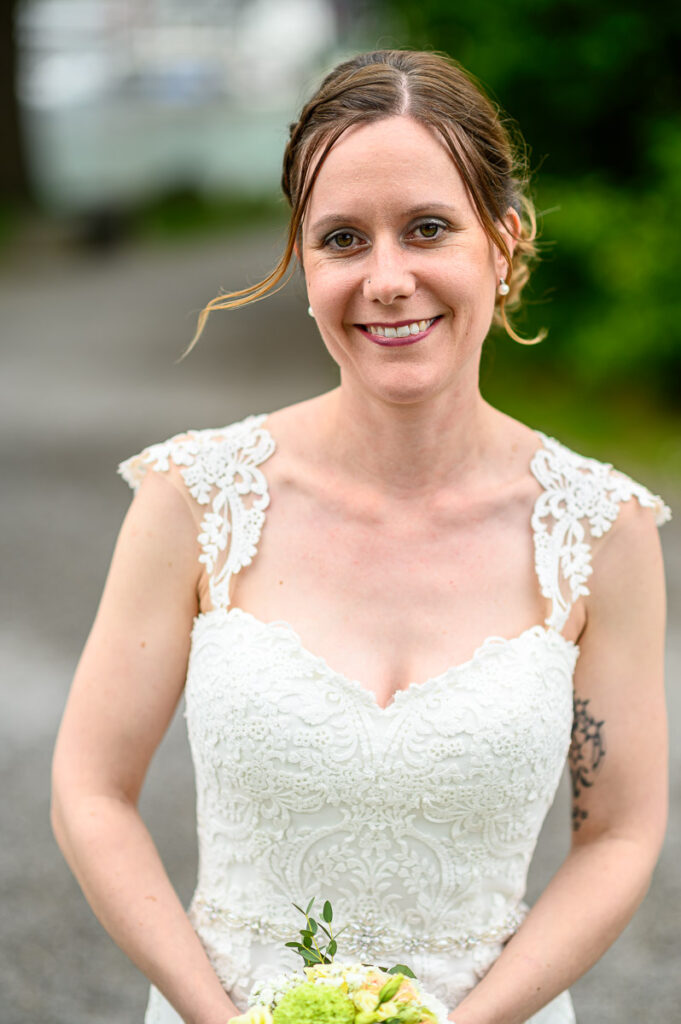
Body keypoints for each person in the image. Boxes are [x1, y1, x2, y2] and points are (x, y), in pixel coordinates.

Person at [51, 49, 671, 1024]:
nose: (387, 279)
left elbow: (621, 837)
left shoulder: (605, 530)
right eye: (343, 239)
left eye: (428, 228)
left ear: (503, 242)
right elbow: (89, 789)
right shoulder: (193, 498)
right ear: (306, 265)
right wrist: (218, 1016)